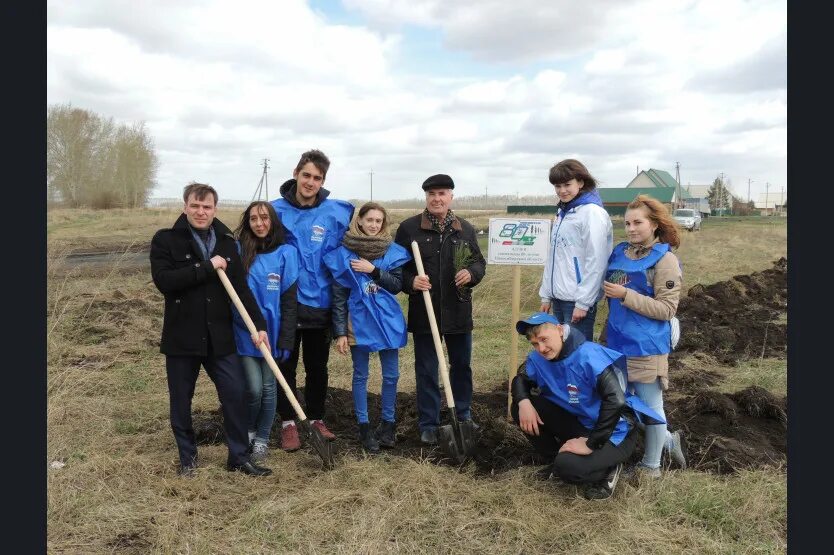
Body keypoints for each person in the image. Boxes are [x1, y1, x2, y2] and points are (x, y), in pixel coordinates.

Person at [150, 182, 273, 477]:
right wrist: (206, 267)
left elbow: (241, 291)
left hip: (219, 336)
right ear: (185, 207)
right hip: (182, 336)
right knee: (181, 398)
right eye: (195, 206)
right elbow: (164, 281)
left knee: (235, 393)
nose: (201, 212)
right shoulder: (166, 240)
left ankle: (239, 457)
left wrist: (259, 326)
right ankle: (188, 458)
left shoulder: (227, 242)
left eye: (207, 207)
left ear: (215, 209)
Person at [512, 312, 665, 500]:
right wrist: (523, 401)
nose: (541, 348)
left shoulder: (589, 356)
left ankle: (609, 468)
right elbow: (521, 380)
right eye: (535, 344)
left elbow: (615, 401)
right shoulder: (538, 359)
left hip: (613, 432)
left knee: (569, 468)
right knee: (521, 408)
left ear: (559, 330)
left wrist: (591, 443)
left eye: (544, 339)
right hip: (581, 422)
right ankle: (557, 459)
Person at [270, 149, 354, 450]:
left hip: (321, 303)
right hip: (286, 305)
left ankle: (317, 418)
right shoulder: (274, 211)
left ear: (323, 181)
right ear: (295, 173)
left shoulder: (336, 212)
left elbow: (357, 243)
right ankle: (288, 422)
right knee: (285, 365)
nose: (310, 182)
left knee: (317, 367)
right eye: (306, 175)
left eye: (317, 178)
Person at [394, 174, 486, 444]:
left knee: (461, 366)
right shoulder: (409, 229)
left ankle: (464, 415)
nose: (437, 198)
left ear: (451, 197)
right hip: (425, 312)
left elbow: (479, 263)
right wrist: (411, 281)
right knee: (426, 368)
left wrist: (471, 272)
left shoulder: (464, 230)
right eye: (432, 194)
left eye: (442, 193)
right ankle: (429, 422)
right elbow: (397, 268)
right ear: (426, 197)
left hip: (458, 311)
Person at [602, 194, 687, 478]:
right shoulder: (619, 253)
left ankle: (652, 467)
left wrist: (627, 295)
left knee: (651, 406)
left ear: (654, 224)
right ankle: (667, 440)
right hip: (616, 342)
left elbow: (666, 309)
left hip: (647, 345)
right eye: (627, 223)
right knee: (624, 401)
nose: (631, 228)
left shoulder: (665, 261)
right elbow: (610, 290)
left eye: (638, 222)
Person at [323, 202, 411, 453]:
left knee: (391, 375)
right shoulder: (344, 254)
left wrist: (373, 270)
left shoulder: (392, 252)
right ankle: (364, 426)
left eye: (378, 221)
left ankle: (388, 424)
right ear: (359, 221)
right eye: (369, 220)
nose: (373, 225)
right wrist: (340, 331)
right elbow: (339, 296)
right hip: (358, 321)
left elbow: (396, 285)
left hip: (387, 320)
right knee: (360, 375)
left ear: (383, 224)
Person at [231, 201, 300, 463]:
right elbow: (234, 294)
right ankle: (248, 431)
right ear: (247, 223)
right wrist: (244, 324)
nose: (259, 224)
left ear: (272, 221)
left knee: (270, 389)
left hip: (272, 333)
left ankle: (261, 439)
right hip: (245, 330)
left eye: (264, 218)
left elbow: (289, 301)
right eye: (253, 219)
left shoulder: (286, 253)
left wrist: (285, 338)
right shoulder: (239, 251)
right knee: (254, 389)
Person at [539, 159, 612, 341]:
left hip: (577, 301)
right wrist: (546, 295)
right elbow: (554, 257)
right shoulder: (563, 213)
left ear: (580, 182)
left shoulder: (591, 213)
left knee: (577, 354)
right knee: (561, 351)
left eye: (567, 184)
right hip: (559, 298)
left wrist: (584, 302)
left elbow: (597, 261)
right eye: (557, 186)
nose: (562, 190)